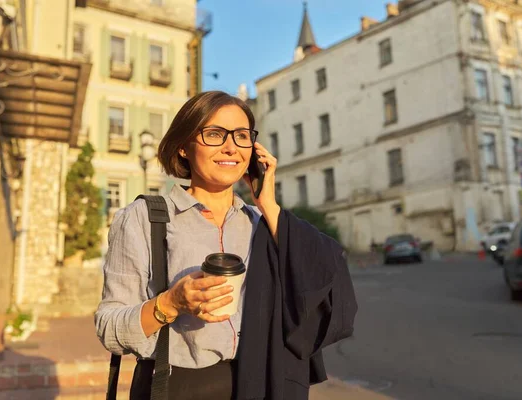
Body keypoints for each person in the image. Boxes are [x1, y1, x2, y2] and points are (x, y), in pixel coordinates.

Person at [95, 91, 357, 400]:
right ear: (183, 148)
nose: (231, 146)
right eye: (215, 134)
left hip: (260, 385)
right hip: (177, 387)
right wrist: (171, 303)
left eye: (242, 135)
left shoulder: (264, 224)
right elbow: (110, 328)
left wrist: (268, 204)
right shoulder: (144, 218)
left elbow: (327, 280)